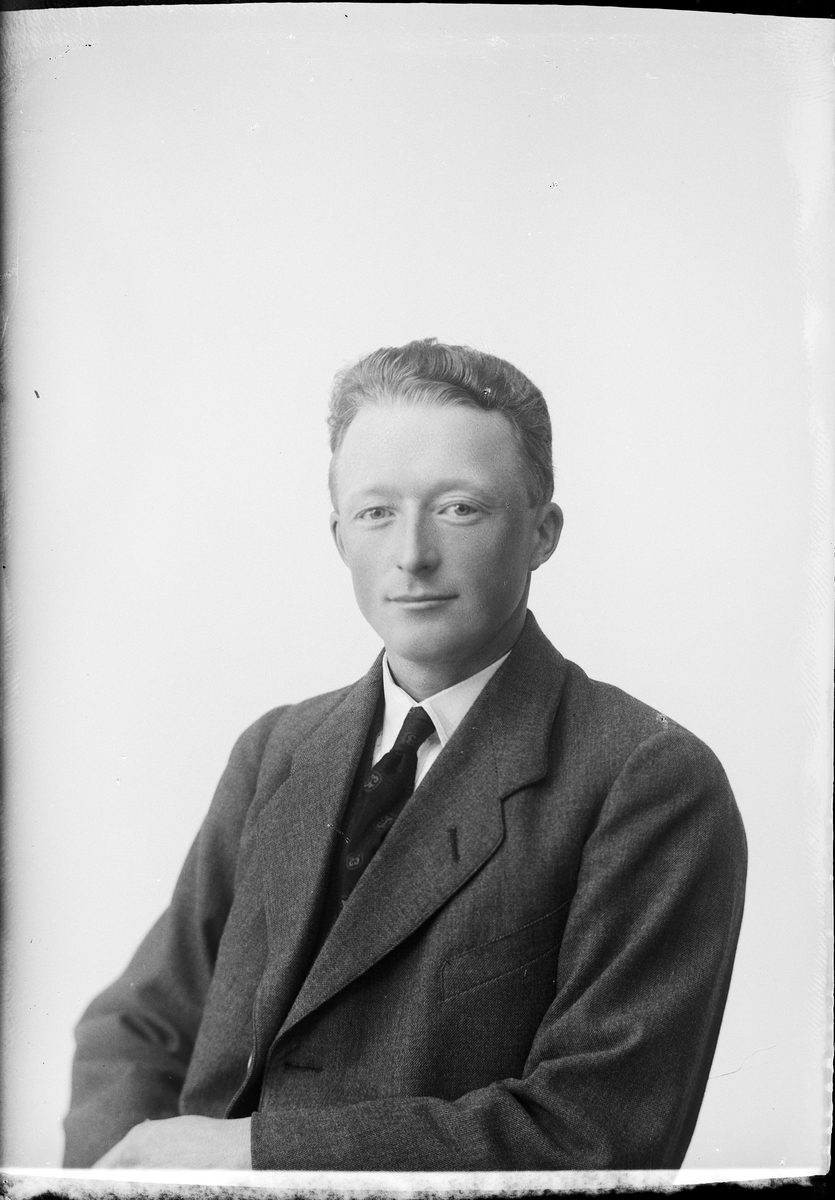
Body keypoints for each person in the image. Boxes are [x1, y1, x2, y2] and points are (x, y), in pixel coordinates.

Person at [63, 339, 747, 1171]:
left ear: (542, 533)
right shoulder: (276, 749)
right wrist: (117, 1183)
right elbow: (137, 1025)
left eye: (459, 508)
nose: (412, 555)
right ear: (338, 536)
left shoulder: (647, 780)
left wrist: (255, 1158)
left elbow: (593, 1133)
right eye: (376, 512)